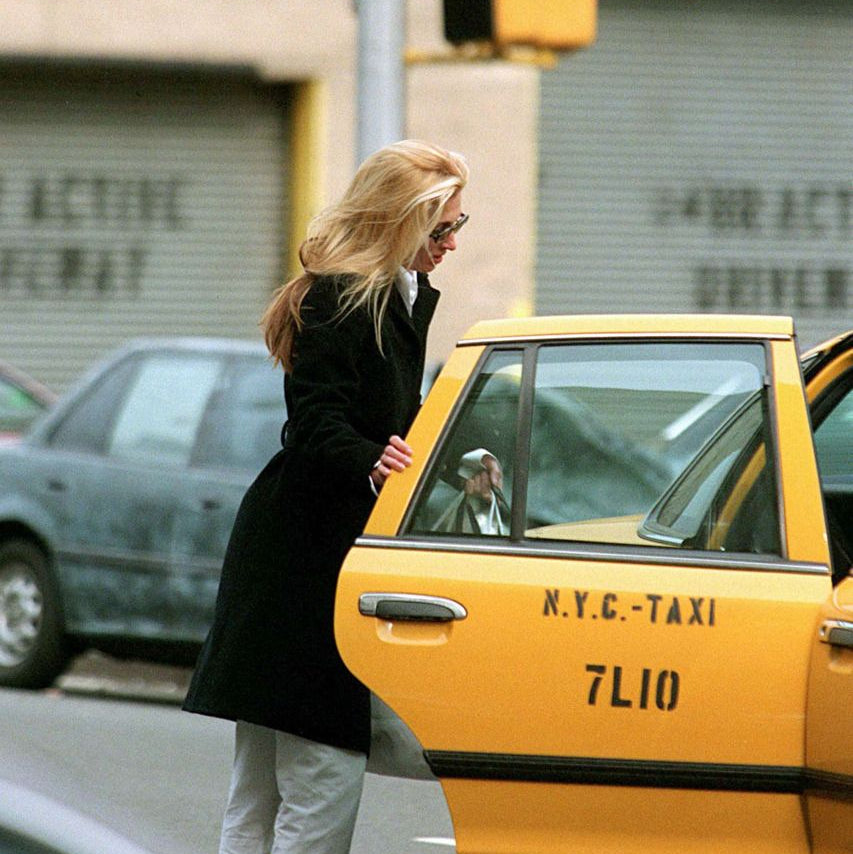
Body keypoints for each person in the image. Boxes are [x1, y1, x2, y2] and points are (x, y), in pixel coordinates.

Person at [182, 139, 469, 854]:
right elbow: (314, 421)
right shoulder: (342, 296)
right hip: (307, 566)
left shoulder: (391, 294)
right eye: (441, 229)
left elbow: (370, 420)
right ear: (398, 221)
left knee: (265, 789)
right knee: (319, 780)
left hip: (298, 556)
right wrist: (370, 459)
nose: (453, 244)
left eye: (460, 225)